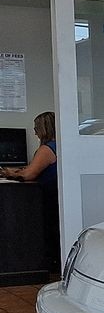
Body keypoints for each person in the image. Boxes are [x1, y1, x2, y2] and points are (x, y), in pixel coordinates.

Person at [0, 112, 60, 273]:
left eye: (36, 128)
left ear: (43, 129)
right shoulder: (60, 145)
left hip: (46, 199)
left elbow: (29, 174)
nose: (34, 133)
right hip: (56, 197)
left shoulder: (47, 149)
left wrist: (8, 173)